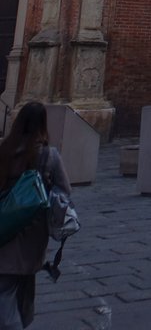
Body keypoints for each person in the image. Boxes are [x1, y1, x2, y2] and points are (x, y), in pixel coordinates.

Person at [0, 102, 71, 330]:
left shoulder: (4, 150)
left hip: (4, 226)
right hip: (33, 233)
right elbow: (64, 192)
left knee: (10, 285)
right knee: (16, 285)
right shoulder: (48, 155)